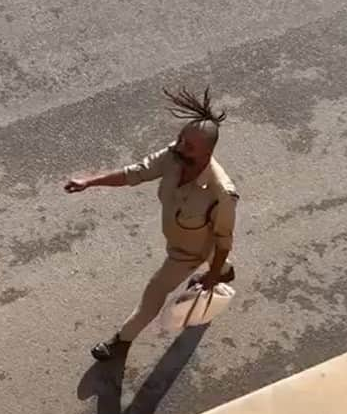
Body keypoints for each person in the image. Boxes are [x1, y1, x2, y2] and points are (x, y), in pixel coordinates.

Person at [65, 86, 239, 361]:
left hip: (186, 253)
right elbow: (135, 173)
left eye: (189, 146)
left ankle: (121, 342)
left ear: (207, 153)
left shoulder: (221, 193)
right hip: (186, 237)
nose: (180, 147)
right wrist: (89, 182)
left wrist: (211, 274)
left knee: (154, 292)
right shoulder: (174, 155)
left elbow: (223, 240)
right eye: (180, 139)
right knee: (212, 257)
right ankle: (224, 271)